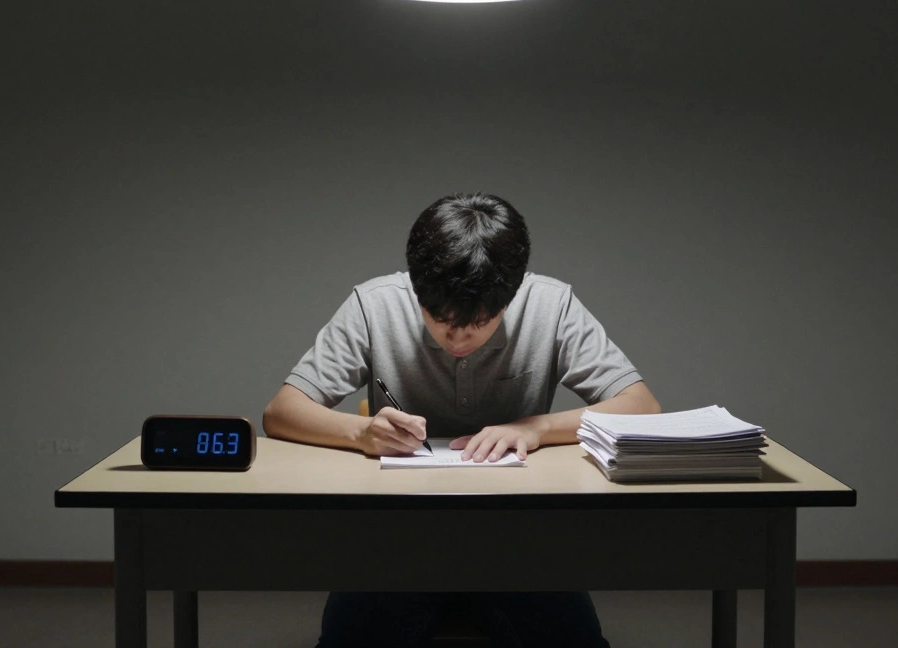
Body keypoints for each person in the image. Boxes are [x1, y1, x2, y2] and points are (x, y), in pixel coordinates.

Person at [262, 193, 661, 648]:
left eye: (480, 322)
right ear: (416, 289)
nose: (458, 337)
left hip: (519, 539)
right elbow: (281, 411)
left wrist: (536, 428)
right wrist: (361, 433)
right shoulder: (374, 306)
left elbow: (642, 406)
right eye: (440, 319)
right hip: (397, 537)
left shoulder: (551, 305)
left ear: (511, 296)